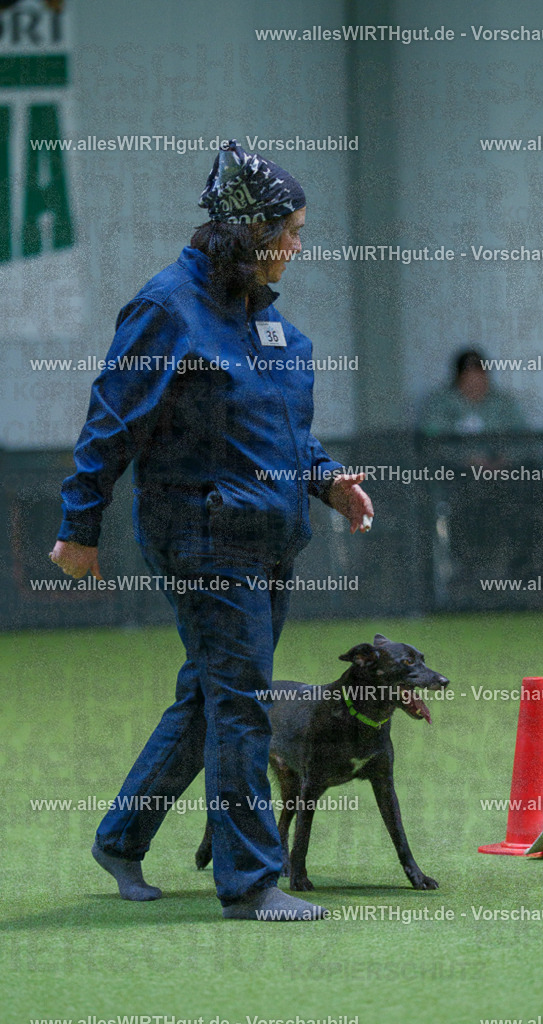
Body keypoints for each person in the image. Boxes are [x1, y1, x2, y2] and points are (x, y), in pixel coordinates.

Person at [49, 139, 373, 922]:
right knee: (242, 704)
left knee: (210, 696)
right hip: (200, 535)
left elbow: (282, 432)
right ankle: (251, 882)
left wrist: (327, 481)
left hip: (265, 536)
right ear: (246, 231)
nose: (297, 247)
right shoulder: (168, 308)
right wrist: (78, 527)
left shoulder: (264, 324)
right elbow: (109, 423)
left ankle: (122, 837)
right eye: (288, 231)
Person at [418, 348, 527, 436]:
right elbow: (431, 440)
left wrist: (504, 459)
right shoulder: (438, 404)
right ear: (458, 379)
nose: (476, 387)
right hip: (452, 463)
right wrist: (465, 459)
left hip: (499, 462)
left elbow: (521, 437)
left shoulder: (504, 403)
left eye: (480, 380)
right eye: (470, 381)